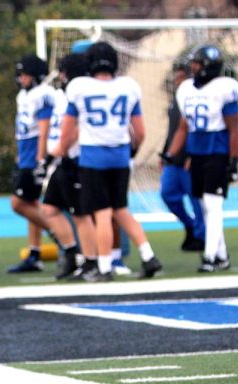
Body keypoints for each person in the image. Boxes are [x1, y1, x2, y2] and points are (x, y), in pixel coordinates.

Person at [53, 41, 162, 282]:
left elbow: (68, 130)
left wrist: (57, 152)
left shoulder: (79, 87)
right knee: (121, 210)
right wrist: (130, 152)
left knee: (102, 214)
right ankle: (148, 255)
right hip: (121, 155)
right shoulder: (127, 86)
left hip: (94, 157)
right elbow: (140, 132)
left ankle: (103, 268)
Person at [163, 44, 238, 272]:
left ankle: (209, 257)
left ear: (207, 67)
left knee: (213, 205)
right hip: (195, 152)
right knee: (206, 207)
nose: (193, 67)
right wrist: (170, 154)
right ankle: (222, 256)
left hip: (217, 151)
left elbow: (234, 128)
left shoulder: (224, 88)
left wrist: (233, 160)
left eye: (197, 63)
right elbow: (183, 127)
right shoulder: (186, 89)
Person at [42, 51, 93, 280]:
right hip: (62, 158)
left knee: (81, 214)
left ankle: (92, 262)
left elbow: (76, 127)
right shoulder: (62, 94)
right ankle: (72, 253)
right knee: (50, 209)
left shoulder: (79, 92)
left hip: (75, 158)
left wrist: (58, 150)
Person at [8, 54, 55, 273]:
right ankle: (34, 253)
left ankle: (62, 236)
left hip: (34, 155)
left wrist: (40, 160)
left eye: (25, 74)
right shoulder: (23, 96)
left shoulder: (43, 94)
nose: (21, 78)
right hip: (25, 153)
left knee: (18, 204)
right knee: (32, 204)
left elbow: (44, 129)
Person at [161, 53, 205, 252]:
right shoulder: (175, 101)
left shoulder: (195, 98)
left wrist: (191, 155)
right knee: (168, 194)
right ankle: (190, 224)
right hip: (174, 160)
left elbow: (193, 129)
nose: (178, 83)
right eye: (176, 79)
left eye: (181, 79)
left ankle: (202, 236)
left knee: (197, 199)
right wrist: (165, 153)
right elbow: (173, 131)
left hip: (190, 159)